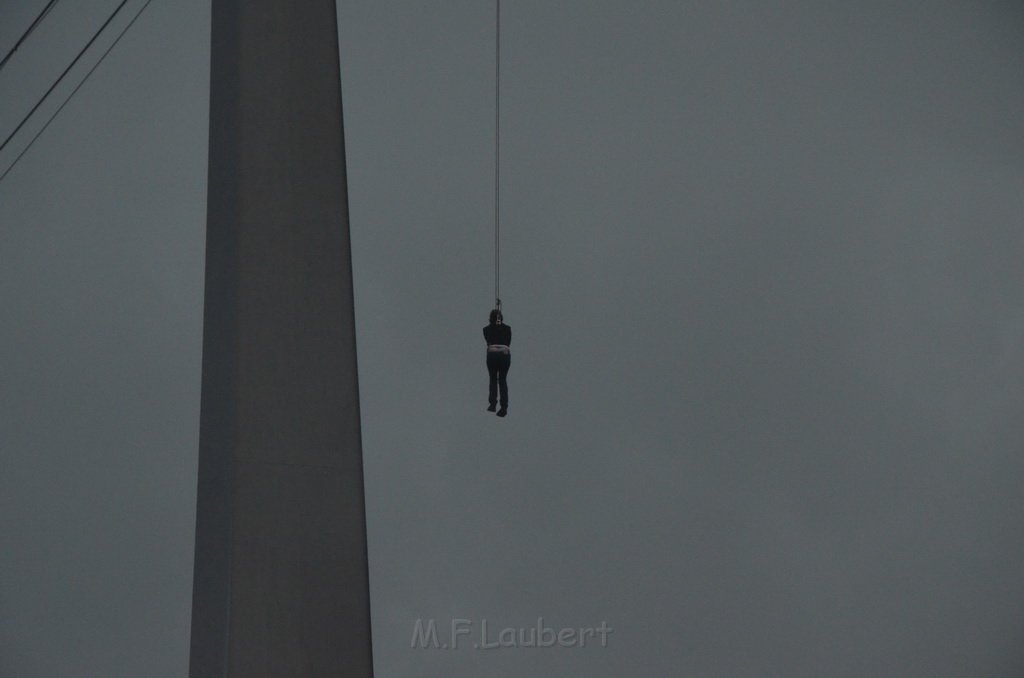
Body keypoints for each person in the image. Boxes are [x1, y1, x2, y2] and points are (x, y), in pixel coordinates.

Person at [483, 308, 511, 416]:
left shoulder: (486, 329)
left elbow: (487, 340)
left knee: (493, 379)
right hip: (504, 354)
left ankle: (493, 404)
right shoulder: (508, 329)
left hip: (492, 354)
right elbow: (508, 342)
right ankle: (504, 406)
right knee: (503, 380)